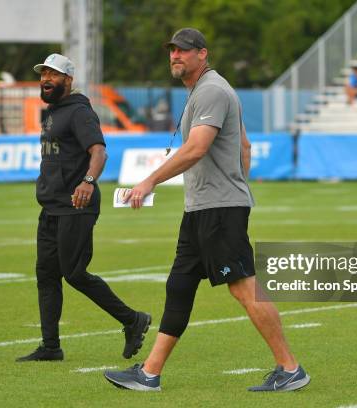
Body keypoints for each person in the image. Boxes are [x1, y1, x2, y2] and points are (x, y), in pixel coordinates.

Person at [103, 28, 309, 392]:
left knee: (243, 288)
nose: (175, 57)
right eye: (171, 51)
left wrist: (150, 181)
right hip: (204, 207)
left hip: (218, 208)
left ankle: (290, 368)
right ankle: (150, 373)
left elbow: (197, 148)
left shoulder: (212, 90)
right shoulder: (203, 91)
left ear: (203, 54)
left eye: (182, 51)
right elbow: (244, 145)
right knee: (179, 285)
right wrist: (237, 184)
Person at [16, 54, 151, 362]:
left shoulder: (79, 112)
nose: (46, 79)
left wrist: (88, 181)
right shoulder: (51, 112)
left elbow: (100, 152)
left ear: (68, 80)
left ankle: (133, 320)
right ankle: (51, 346)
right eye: (43, 74)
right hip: (51, 207)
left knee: (74, 273)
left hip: (77, 206)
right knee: (46, 275)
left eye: (53, 74)